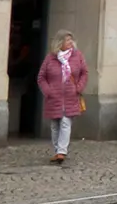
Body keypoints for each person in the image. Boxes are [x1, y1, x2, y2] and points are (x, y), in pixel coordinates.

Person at [37, 30, 88, 164]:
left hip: (71, 96)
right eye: (67, 40)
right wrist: (48, 91)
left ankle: (61, 152)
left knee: (65, 122)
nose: (70, 43)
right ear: (60, 43)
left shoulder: (77, 56)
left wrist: (79, 87)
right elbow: (41, 77)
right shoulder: (50, 58)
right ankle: (57, 150)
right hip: (54, 97)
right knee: (55, 124)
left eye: (71, 40)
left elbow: (84, 73)